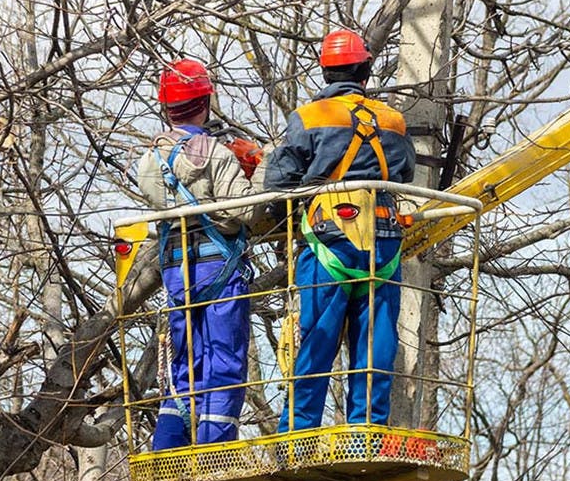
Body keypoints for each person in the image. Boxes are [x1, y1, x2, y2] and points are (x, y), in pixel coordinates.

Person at [262, 29, 415, 432]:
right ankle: (367, 426)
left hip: (330, 238)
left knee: (316, 336)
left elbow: (279, 184)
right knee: (376, 339)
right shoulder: (393, 121)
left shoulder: (310, 117)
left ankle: (298, 431)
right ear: (366, 69)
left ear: (325, 72)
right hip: (383, 242)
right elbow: (404, 174)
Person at [137, 59, 262, 450]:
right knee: (224, 361)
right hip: (218, 267)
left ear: (166, 107)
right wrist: (259, 169)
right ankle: (214, 452)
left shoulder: (149, 162)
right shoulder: (216, 154)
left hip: (177, 271)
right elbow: (241, 213)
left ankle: (168, 447)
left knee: (185, 364)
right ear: (206, 99)